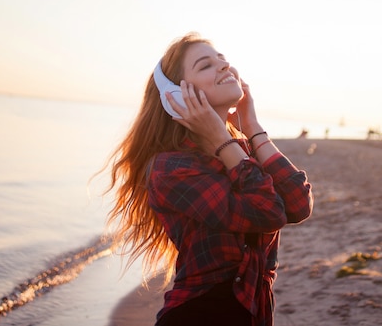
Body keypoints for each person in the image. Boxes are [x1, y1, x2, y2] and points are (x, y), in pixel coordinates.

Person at [103, 32, 313, 326]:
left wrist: (251, 125)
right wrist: (220, 137)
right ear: (175, 97)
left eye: (223, 61)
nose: (225, 68)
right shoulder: (171, 168)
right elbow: (268, 211)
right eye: (206, 66)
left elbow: (298, 204)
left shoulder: (241, 152)